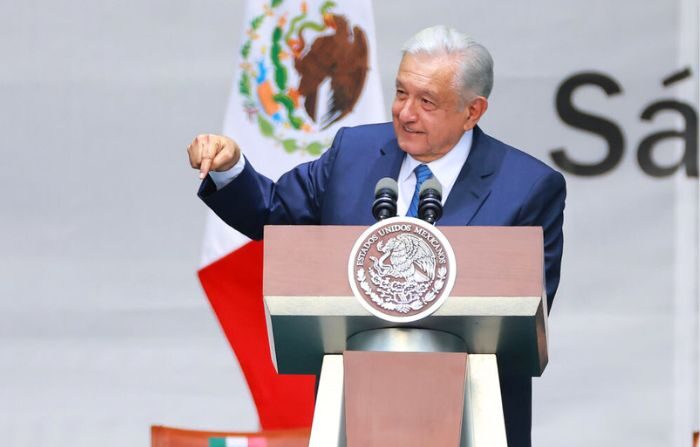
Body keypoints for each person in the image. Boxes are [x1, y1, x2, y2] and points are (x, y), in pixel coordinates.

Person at [188, 25, 565, 447]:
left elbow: (525, 314)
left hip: (470, 420)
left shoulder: (528, 186)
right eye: (401, 93)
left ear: (472, 111)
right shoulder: (355, 152)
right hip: (356, 416)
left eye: (427, 102)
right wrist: (230, 168)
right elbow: (274, 212)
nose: (405, 112)